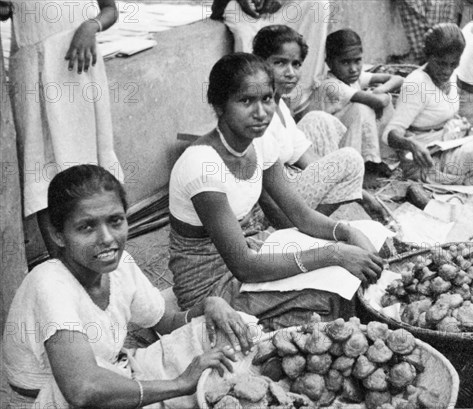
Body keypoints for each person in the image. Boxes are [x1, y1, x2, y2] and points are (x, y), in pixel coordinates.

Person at [2, 164, 256, 409]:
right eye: (86, 227)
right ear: (59, 235)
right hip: (57, 397)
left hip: (117, 370)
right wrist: (179, 384)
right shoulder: (49, 283)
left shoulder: (121, 265)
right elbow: (81, 390)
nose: (107, 238)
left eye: (115, 221)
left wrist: (209, 305)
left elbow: (166, 322)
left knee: (230, 330)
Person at [168, 53, 384, 330]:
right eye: (246, 101)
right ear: (219, 105)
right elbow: (244, 266)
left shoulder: (260, 143)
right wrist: (335, 254)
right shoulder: (202, 165)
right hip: (212, 288)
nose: (260, 113)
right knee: (332, 299)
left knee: (363, 259)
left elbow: (301, 216)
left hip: (250, 254)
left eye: (267, 99)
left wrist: (346, 232)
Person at [7, 0, 123, 258]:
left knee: (89, 162)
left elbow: (110, 10)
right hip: (32, 72)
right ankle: (61, 263)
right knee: (42, 171)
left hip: (79, 69)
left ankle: (100, 255)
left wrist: (90, 26)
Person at [252, 24, 387, 227]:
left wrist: (362, 194)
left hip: (288, 183)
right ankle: (314, 226)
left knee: (319, 120)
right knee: (350, 160)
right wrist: (288, 227)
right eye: (280, 63)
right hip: (275, 208)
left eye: (296, 64)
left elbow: (308, 158)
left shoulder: (278, 102)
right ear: (260, 63)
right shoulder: (257, 113)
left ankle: (326, 215)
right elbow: (265, 191)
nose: (290, 73)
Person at [383, 23, 473, 185]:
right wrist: (412, 145)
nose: (447, 70)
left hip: (447, 146)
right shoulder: (416, 84)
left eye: (453, 64)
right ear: (427, 56)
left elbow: (444, 112)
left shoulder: (452, 76)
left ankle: (467, 185)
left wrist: (459, 124)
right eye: (441, 63)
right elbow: (389, 134)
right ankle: (451, 186)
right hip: (425, 162)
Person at [307, 28, 404, 187]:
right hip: (325, 149)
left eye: (357, 61)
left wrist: (380, 91)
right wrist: (382, 96)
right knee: (362, 108)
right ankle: (362, 168)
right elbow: (377, 102)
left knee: (375, 103)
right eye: (345, 62)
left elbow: (397, 78)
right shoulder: (331, 85)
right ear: (329, 63)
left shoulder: (353, 77)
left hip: (346, 139)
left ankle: (382, 159)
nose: (353, 68)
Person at [210, 0, 332, 114]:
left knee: (318, 3)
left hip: (277, 13)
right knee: (244, 33)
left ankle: (299, 96)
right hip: (245, 13)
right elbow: (216, 8)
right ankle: (256, 94)